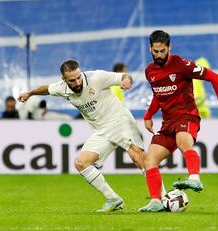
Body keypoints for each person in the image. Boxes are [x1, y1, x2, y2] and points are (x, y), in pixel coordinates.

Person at [18, 59, 145, 212]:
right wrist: (29, 93)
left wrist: (126, 81)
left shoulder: (96, 77)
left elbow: (124, 76)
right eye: (72, 80)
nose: (78, 82)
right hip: (102, 130)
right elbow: (46, 89)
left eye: (79, 77)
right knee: (81, 163)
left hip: (119, 120)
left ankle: (161, 199)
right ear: (63, 79)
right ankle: (113, 199)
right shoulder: (62, 88)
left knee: (138, 157)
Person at [138, 30, 218, 212]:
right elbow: (159, 95)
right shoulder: (150, 71)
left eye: (162, 51)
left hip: (186, 116)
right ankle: (156, 201)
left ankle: (194, 178)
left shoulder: (181, 64)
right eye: (155, 51)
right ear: (150, 48)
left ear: (169, 47)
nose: (159, 55)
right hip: (167, 122)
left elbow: (214, 77)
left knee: (183, 142)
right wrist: (148, 115)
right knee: (149, 160)